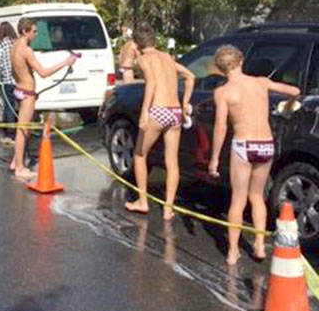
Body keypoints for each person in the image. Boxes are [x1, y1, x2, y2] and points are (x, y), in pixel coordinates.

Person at [208, 44, 300, 265]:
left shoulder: (222, 92)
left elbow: (220, 127)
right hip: (265, 144)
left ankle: (232, 251)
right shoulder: (261, 82)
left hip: (243, 144)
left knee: (238, 199)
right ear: (241, 61)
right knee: (257, 196)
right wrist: (287, 106)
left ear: (221, 69)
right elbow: (295, 92)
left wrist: (214, 158)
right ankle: (259, 244)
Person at [125, 23, 195, 220]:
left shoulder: (144, 60)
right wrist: (185, 102)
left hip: (157, 110)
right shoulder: (167, 57)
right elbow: (190, 76)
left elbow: (152, 83)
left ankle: (142, 201)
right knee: (172, 162)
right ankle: (168, 208)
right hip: (174, 112)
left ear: (137, 44)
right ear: (154, 40)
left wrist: (144, 112)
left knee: (140, 155)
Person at [9, 17, 77, 182]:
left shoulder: (14, 47)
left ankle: (15, 162)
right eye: (34, 31)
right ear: (25, 31)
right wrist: (65, 62)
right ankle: (19, 168)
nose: (36, 34)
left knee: (22, 128)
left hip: (19, 89)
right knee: (23, 130)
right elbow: (43, 72)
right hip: (27, 93)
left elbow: (14, 70)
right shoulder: (26, 50)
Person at [0, 21, 18, 144]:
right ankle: (23, 132)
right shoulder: (16, 43)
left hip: (8, 80)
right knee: (21, 106)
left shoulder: (1, 45)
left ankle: (10, 134)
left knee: (9, 106)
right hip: (19, 80)